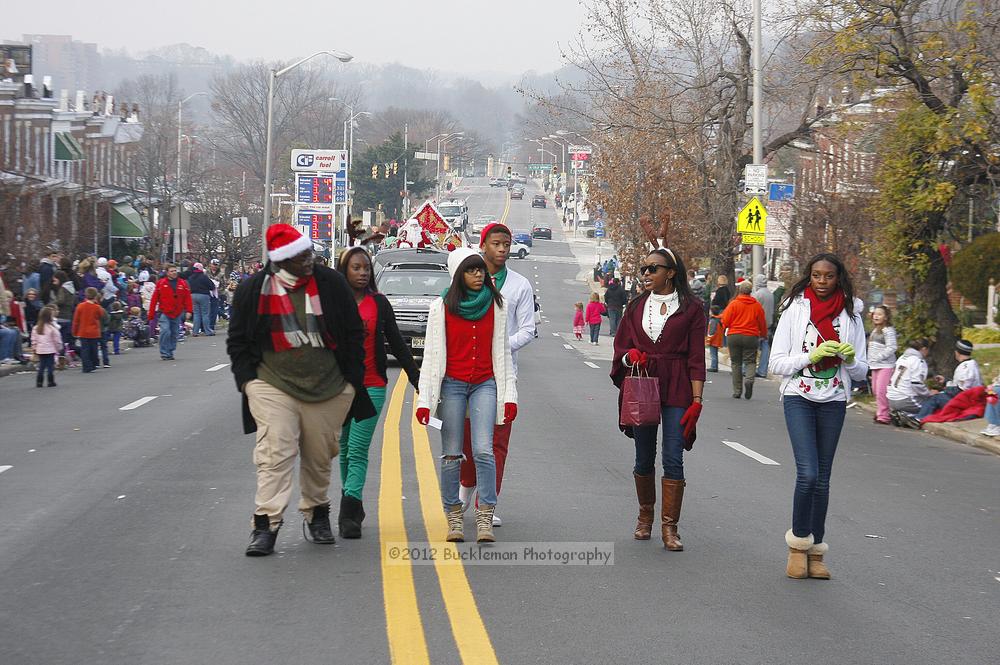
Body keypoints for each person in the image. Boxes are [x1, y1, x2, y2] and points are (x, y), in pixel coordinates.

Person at [228, 224, 374, 557]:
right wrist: (248, 382)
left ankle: (317, 513)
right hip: (272, 383)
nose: (309, 260)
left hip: (328, 386)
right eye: (300, 257)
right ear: (281, 261)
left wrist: (351, 383)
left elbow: (353, 333)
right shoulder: (254, 289)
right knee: (275, 453)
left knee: (319, 456)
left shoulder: (331, 284)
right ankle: (265, 526)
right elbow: (238, 341)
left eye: (309, 253)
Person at [770, 253, 868, 580]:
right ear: (809, 277)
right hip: (799, 396)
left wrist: (850, 359)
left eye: (828, 276)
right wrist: (810, 356)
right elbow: (776, 362)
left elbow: (861, 371)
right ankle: (798, 546)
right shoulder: (795, 310)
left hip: (834, 399)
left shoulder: (852, 316)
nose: (822, 281)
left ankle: (816, 551)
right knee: (808, 474)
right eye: (816, 275)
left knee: (823, 479)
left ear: (838, 278)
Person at [416, 248, 517, 544]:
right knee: (451, 454)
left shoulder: (498, 305)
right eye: (471, 271)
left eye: (480, 271)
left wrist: (509, 396)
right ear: (459, 274)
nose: (478, 275)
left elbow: (504, 354)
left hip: (485, 383)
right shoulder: (442, 307)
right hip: (453, 386)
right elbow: (432, 358)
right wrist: (425, 402)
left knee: (484, 450)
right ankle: (454, 516)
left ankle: (484, 515)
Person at [611, 246, 705, 551]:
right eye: (644, 269)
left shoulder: (691, 308)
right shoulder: (636, 306)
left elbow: (696, 357)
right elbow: (621, 349)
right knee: (643, 455)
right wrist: (629, 357)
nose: (647, 274)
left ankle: (670, 528)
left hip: (677, 383)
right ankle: (645, 517)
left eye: (654, 268)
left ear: (671, 273)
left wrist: (697, 400)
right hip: (643, 383)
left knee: (673, 456)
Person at [336, 247, 420, 538]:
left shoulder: (379, 303)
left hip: (372, 386)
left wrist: (416, 377)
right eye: (356, 268)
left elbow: (396, 342)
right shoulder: (332, 303)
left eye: (366, 269)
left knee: (358, 449)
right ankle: (353, 503)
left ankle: (348, 510)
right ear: (344, 270)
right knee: (344, 449)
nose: (362, 273)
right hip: (339, 389)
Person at [458, 223, 535, 527]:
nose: (502, 249)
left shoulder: (519, 286)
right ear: (483, 245)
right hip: (466, 373)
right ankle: (465, 488)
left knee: (495, 444)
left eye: (507, 244)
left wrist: (501, 348)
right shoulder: (465, 280)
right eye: (496, 244)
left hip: (502, 376)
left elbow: (528, 329)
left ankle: (485, 504)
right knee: (467, 440)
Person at [912, 339, 983, 423]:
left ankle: (918, 419)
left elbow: (961, 391)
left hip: (965, 403)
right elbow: (960, 385)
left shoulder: (965, 368)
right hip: (968, 400)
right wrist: (945, 381)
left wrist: (942, 391)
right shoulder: (971, 364)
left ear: (957, 352)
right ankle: (920, 416)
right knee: (939, 395)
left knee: (935, 398)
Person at [720, 280, 768, 399]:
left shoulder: (734, 304)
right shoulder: (756, 306)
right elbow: (762, 322)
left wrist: (724, 327)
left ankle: (737, 390)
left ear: (740, 290)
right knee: (750, 361)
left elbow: (724, 321)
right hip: (751, 336)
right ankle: (749, 380)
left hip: (734, 335)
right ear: (750, 292)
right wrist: (763, 335)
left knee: (736, 363)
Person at [148, 264, 193, 361]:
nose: (174, 272)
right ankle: (164, 352)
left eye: (175, 270)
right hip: (164, 312)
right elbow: (154, 299)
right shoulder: (161, 283)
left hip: (177, 312)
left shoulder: (182, 283)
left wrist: (189, 310)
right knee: (165, 331)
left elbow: (187, 297)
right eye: (171, 271)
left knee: (174, 333)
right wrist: (151, 314)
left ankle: (170, 351)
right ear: (167, 273)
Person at [885, 338, 933, 422]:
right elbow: (916, 384)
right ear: (924, 349)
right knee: (932, 404)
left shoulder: (902, 357)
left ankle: (900, 413)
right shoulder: (918, 361)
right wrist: (929, 394)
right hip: (905, 399)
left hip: (891, 398)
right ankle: (910, 416)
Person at [866, 305, 898, 425]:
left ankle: (884, 416)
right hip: (874, 365)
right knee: (875, 389)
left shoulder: (888, 330)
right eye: (875, 314)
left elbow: (892, 347)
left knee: (881, 390)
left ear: (886, 317)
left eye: (880, 314)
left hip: (885, 365)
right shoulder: (875, 330)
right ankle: (881, 411)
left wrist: (879, 357)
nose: (876, 316)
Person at [72, 287, 104, 373]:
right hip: (94, 332)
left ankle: (86, 366)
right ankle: (94, 364)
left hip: (83, 331)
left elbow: (76, 320)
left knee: (85, 350)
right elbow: (100, 316)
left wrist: (74, 332)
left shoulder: (80, 306)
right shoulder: (97, 307)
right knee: (94, 349)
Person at [31, 306, 61, 387]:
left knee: (42, 365)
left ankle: (39, 381)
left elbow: (34, 340)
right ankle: (50, 381)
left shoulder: (36, 328)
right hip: (50, 349)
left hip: (40, 350)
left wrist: (34, 348)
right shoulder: (52, 328)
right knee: (50, 365)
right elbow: (57, 340)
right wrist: (58, 348)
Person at [752, 275, 775, 378]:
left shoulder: (758, 294)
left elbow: (753, 310)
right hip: (769, 324)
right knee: (765, 347)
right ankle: (762, 370)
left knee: (752, 348)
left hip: (758, 324)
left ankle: (748, 369)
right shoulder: (770, 294)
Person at [186, 262, 216, 336]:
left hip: (193, 295)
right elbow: (212, 286)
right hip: (203, 295)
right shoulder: (204, 277)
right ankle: (207, 331)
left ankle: (195, 331)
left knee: (196, 314)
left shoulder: (191, 277)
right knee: (205, 314)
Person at [705, 304, 724, 372]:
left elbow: (711, 331)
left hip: (713, 340)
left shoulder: (713, 320)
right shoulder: (719, 319)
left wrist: (708, 340)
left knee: (713, 354)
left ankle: (713, 366)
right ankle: (715, 366)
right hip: (717, 339)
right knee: (715, 354)